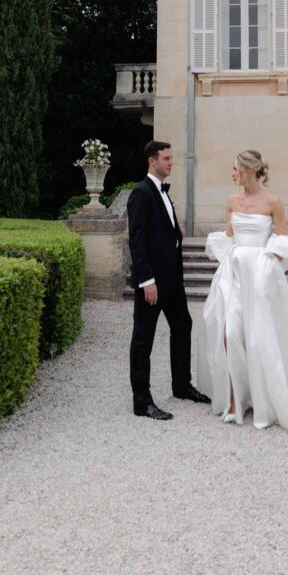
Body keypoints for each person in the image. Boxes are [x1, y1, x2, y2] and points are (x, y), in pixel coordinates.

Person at [196, 149, 288, 436]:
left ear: (248, 170)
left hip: (259, 278)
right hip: (234, 276)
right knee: (230, 334)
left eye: (235, 168)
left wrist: (266, 267)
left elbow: (284, 244)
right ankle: (236, 400)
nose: (232, 173)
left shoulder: (273, 201)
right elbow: (229, 238)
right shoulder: (231, 201)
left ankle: (265, 400)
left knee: (260, 341)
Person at [128, 140, 211, 420]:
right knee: (144, 338)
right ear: (152, 161)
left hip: (172, 279)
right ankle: (142, 401)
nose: (171, 163)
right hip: (152, 281)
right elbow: (136, 241)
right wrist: (146, 280)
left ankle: (181, 385)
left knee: (183, 324)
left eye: (171, 158)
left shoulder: (163, 192)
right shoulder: (141, 192)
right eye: (166, 158)